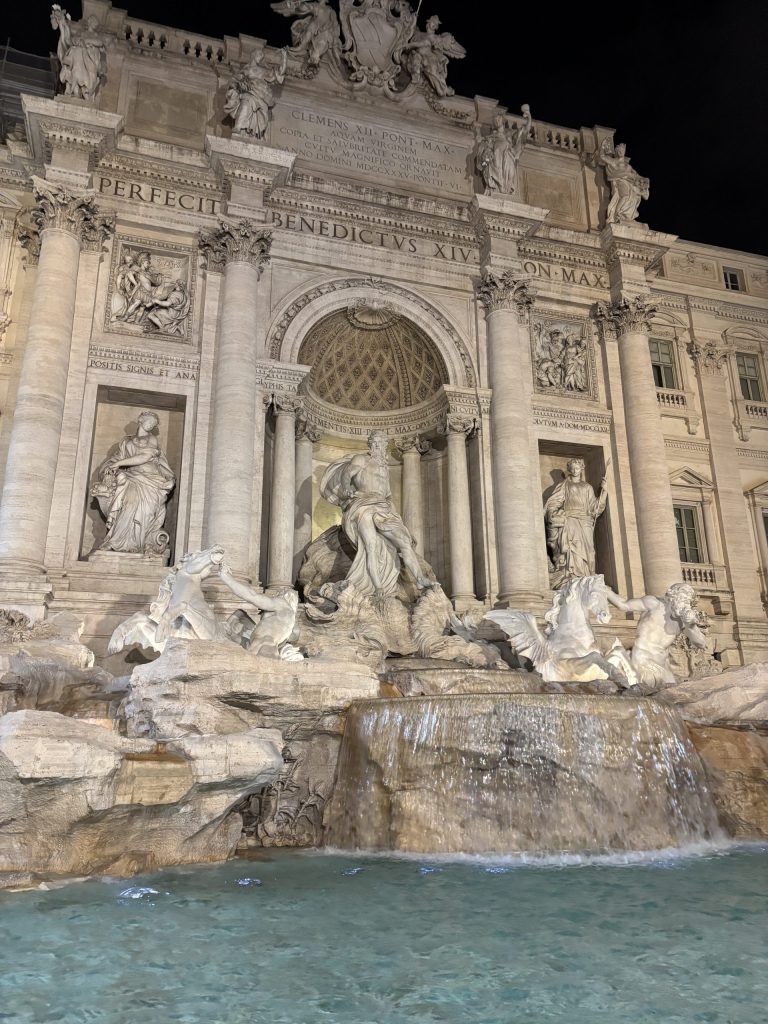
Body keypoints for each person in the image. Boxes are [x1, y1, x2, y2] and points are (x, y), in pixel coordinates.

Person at [320, 430, 433, 598]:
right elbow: (347, 474)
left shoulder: (383, 469)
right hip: (362, 505)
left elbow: (388, 496)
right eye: (377, 443)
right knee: (370, 547)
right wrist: (347, 489)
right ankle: (378, 587)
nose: (380, 446)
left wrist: (397, 518)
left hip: (383, 508)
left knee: (404, 543)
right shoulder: (361, 460)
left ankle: (419, 579)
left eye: (383, 444)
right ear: (371, 444)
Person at [91, 411, 175, 555]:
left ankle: (138, 544)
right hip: (131, 477)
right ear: (140, 420)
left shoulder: (152, 439)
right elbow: (115, 459)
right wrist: (111, 467)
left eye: (153, 424)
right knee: (128, 504)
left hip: (151, 480)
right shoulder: (126, 441)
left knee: (145, 511)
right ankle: (116, 542)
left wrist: (119, 463)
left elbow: (145, 456)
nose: (151, 425)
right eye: (149, 421)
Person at [606, 582, 706, 689]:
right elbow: (623, 605)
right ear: (672, 597)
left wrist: (691, 625)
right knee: (654, 694)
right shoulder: (653, 604)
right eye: (682, 600)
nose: (684, 605)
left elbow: (701, 643)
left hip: (663, 665)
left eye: (687, 602)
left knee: (674, 696)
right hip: (643, 659)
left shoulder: (682, 621)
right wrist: (604, 590)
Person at [544, 458, 607, 587]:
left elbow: (595, 508)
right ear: (569, 470)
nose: (574, 470)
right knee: (573, 548)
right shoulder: (564, 485)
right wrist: (553, 513)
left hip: (585, 521)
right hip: (570, 519)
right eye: (572, 468)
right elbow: (554, 502)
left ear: (582, 468)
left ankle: (586, 575)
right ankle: (572, 575)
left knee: (589, 550)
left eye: (577, 468)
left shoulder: (587, 487)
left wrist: (604, 491)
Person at [224, 49, 287, 139]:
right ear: (253, 55)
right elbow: (234, 82)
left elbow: (280, 73)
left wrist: (284, 57)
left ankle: (240, 126)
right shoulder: (245, 69)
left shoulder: (263, 71)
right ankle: (238, 126)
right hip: (247, 94)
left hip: (260, 96)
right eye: (259, 54)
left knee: (248, 99)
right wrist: (241, 86)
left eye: (261, 56)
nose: (261, 57)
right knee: (246, 99)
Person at [50, 6, 108, 101]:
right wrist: (63, 25)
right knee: (75, 51)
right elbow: (72, 40)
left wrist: (87, 41)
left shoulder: (96, 35)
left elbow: (100, 43)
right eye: (93, 21)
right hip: (80, 55)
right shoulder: (81, 33)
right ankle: (75, 88)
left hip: (90, 58)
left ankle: (82, 89)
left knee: (78, 52)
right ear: (89, 22)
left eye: (95, 22)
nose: (95, 24)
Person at [475, 105, 531, 196]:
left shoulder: (509, 135)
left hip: (508, 158)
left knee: (510, 175)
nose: (497, 121)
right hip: (496, 160)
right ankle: (498, 189)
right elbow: (483, 159)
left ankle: (506, 191)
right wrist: (486, 157)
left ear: (503, 121)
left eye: (499, 119)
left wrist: (529, 117)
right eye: (495, 120)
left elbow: (525, 131)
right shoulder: (489, 138)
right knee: (495, 166)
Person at [597, 139, 650, 223]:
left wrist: (644, 181)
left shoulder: (628, 165)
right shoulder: (614, 161)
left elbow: (636, 175)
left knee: (632, 198)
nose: (621, 152)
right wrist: (603, 146)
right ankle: (617, 214)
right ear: (617, 152)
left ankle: (625, 216)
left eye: (622, 150)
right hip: (621, 182)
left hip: (630, 183)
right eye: (619, 151)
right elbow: (602, 156)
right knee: (625, 196)